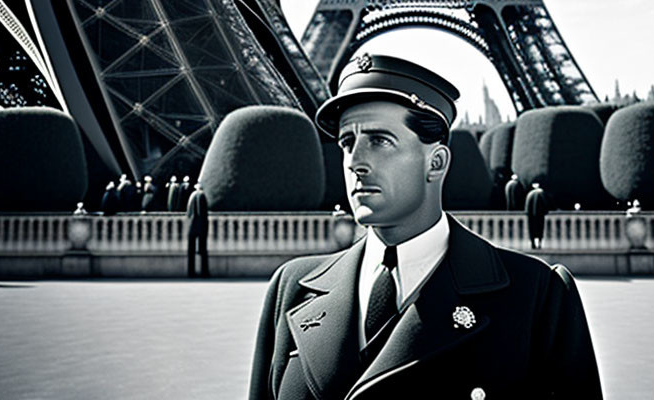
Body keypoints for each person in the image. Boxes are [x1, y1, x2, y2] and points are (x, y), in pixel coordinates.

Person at [249, 54, 602, 399]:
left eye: (379, 141)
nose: (355, 161)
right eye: (347, 143)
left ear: (436, 163)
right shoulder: (290, 290)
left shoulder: (537, 296)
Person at [187, 182, 210, 278]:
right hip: (201, 226)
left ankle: (191, 272)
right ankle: (204, 272)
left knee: (191, 251)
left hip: (191, 226)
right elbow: (202, 212)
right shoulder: (202, 196)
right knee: (203, 251)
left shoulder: (191, 196)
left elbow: (188, 212)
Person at [525, 182, 549, 250]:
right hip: (540, 215)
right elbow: (545, 204)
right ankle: (539, 244)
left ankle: (533, 244)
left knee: (532, 230)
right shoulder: (541, 193)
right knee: (540, 230)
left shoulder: (530, 194)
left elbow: (527, 207)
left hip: (531, 216)